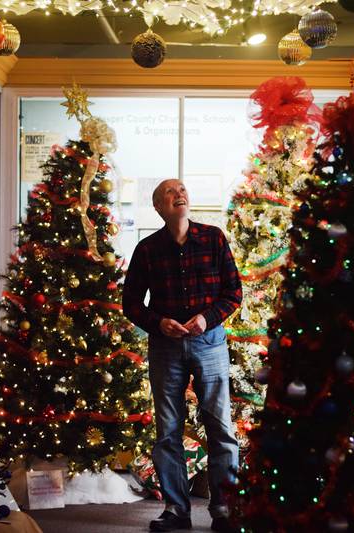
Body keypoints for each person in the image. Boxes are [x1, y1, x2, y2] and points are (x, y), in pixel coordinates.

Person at [123, 179, 242, 532]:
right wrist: (158, 323)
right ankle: (176, 510)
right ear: (159, 207)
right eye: (170, 193)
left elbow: (233, 292)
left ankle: (224, 510)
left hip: (210, 344)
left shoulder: (213, 238)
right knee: (168, 432)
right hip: (166, 349)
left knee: (221, 428)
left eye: (183, 190)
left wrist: (207, 318)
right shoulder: (147, 249)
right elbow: (131, 303)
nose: (180, 195)